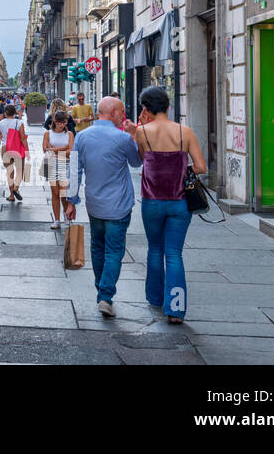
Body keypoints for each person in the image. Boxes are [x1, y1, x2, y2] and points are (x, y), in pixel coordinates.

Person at [134, 85, 206, 325]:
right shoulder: (186, 132)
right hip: (179, 203)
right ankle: (175, 309)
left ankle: (155, 298)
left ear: (146, 108)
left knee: (155, 249)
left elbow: (144, 159)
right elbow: (201, 167)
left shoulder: (142, 132)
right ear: (168, 105)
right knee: (174, 253)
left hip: (152, 202)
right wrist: (180, 169)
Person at [66, 96, 140, 319]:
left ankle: (101, 290)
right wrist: (134, 135)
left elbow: (74, 169)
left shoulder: (82, 136)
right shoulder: (122, 138)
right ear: (114, 113)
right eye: (122, 112)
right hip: (119, 205)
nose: (123, 116)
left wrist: (71, 201)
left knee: (97, 247)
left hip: (94, 203)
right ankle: (106, 296)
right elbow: (137, 162)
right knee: (114, 250)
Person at [43, 111, 76, 229]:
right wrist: (64, 149)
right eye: (59, 122)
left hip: (65, 164)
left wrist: (56, 150)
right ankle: (56, 219)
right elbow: (45, 149)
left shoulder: (70, 134)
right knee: (55, 193)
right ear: (54, 122)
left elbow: (71, 151)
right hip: (51, 164)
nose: (61, 125)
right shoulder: (48, 133)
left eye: (64, 122)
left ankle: (65, 215)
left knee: (64, 193)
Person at [0, 104, 27, 202]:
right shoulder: (19, 123)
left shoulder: (0, 124)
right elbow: (22, 138)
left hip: (5, 148)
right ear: (14, 113)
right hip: (17, 148)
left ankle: (11, 195)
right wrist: (27, 150)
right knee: (19, 171)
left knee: (10, 171)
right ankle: (16, 188)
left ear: (5, 113)